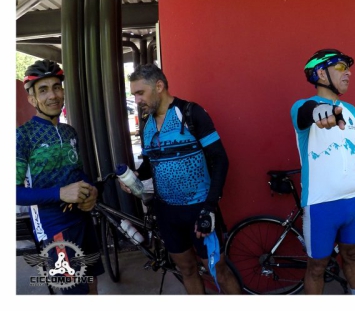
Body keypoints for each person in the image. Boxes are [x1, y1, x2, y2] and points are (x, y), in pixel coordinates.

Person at [127, 63, 241, 294]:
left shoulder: (190, 113)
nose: (137, 100)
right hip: (167, 212)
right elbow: (151, 163)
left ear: (159, 86)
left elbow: (220, 159)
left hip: (199, 208)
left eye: (140, 93)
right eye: (134, 95)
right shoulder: (147, 124)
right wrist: (135, 175)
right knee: (186, 269)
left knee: (218, 270)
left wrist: (209, 207)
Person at [16, 59, 104, 294]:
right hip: (54, 227)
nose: (53, 95)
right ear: (32, 98)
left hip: (83, 219)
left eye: (57, 87)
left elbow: (78, 173)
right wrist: (60, 193)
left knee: (92, 283)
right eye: (43, 90)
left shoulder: (69, 131)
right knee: (75, 292)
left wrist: (91, 190)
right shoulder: (22, 136)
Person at [291, 49, 355, 295]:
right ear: (320, 73)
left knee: (353, 256)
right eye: (340, 67)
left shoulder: (351, 110)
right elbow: (306, 112)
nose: (348, 73)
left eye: (348, 68)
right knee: (317, 268)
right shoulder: (301, 107)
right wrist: (318, 111)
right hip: (321, 204)